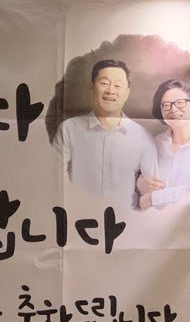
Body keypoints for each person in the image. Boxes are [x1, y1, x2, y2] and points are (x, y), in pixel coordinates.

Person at [55, 59, 157, 209]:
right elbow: (53, 179)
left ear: (127, 92)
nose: (110, 91)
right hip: (76, 216)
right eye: (104, 83)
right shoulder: (69, 129)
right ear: (92, 86)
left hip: (125, 219)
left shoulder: (142, 136)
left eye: (118, 85)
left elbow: (153, 190)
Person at [138, 79, 190, 210]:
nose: (173, 109)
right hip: (153, 219)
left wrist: (153, 199)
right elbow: (144, 176)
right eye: (166, 105)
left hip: (189, 217)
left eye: (180, 103)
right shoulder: (156, 142)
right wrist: (141, 184)